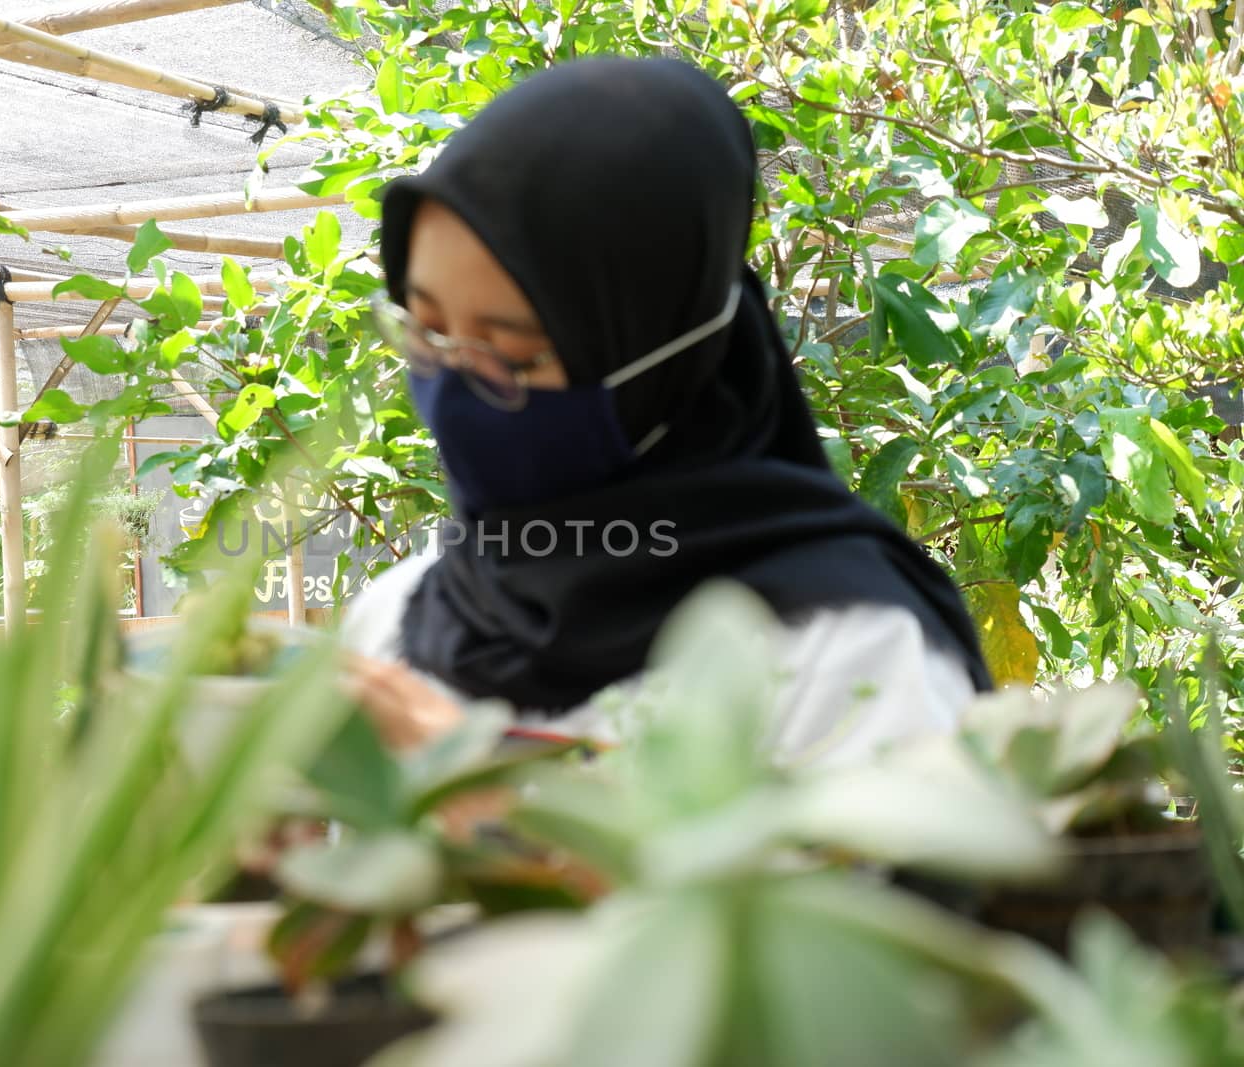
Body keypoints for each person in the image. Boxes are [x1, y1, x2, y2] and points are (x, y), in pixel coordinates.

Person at [341, 56, 991, 766]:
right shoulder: (399, 618)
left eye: (514, 353)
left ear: (666, 355)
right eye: (427, 332)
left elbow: (889, 878)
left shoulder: (851, 655)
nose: (455, 392)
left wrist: (488, 802)